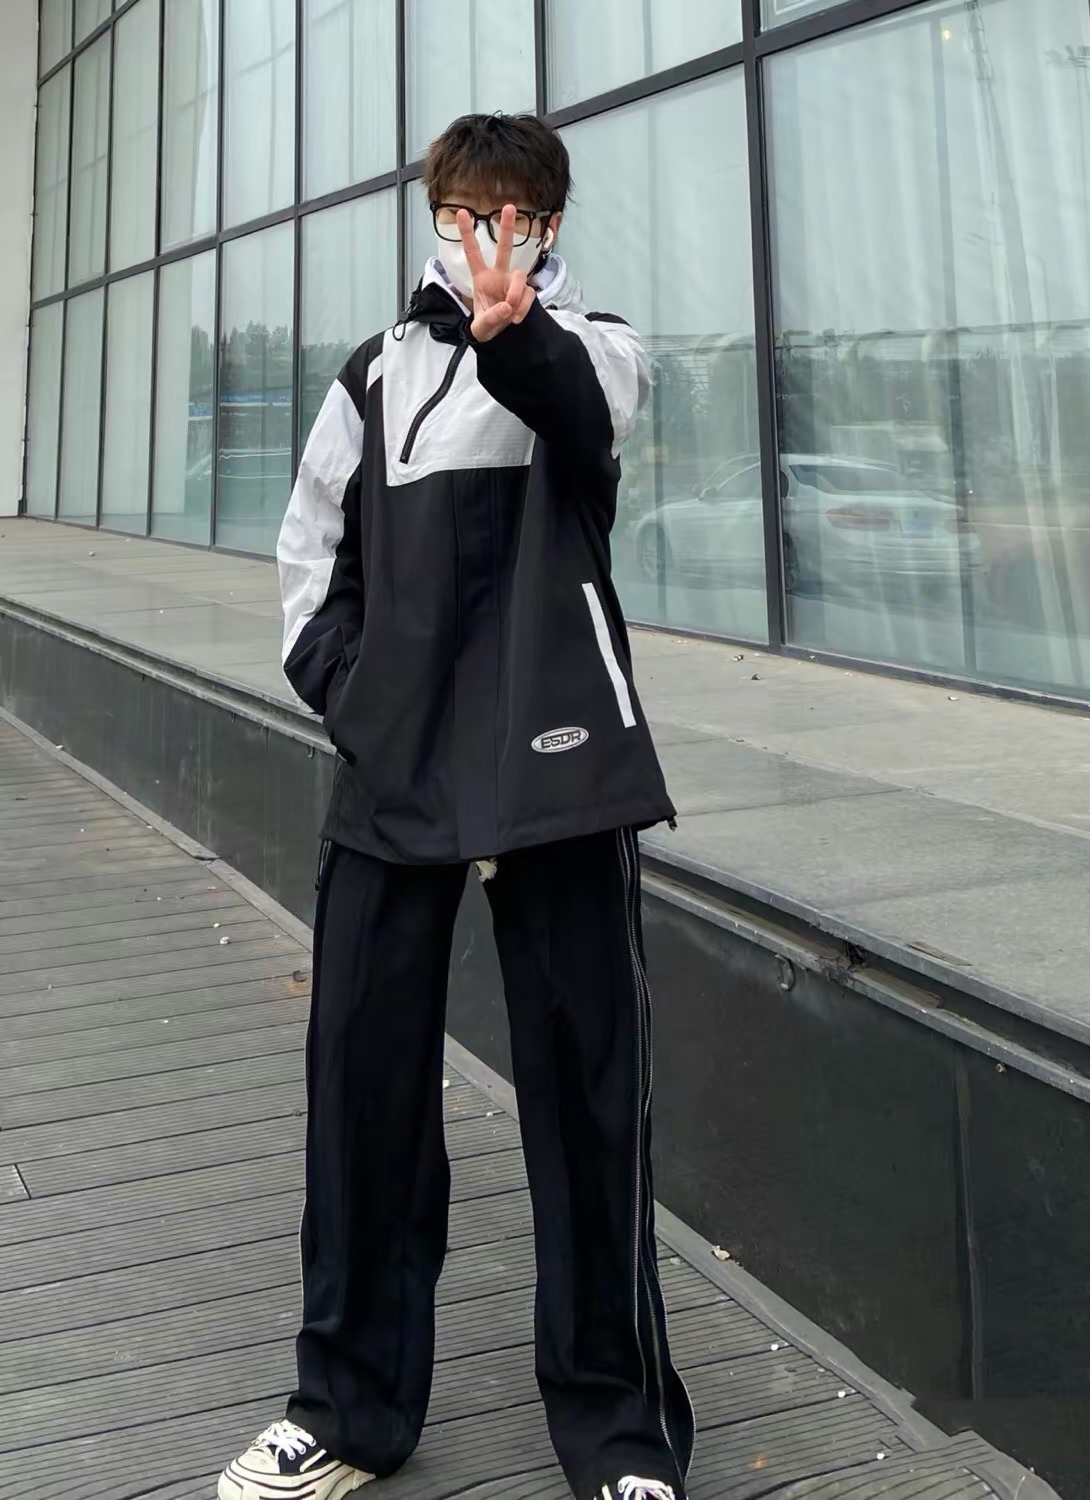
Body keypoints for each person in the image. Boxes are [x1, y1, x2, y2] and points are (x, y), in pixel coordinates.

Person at [218, 113, 694, 1500]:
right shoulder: (371, 374)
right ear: (434, 217)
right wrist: (362, 704)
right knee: (361, 1092)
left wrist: (514, 331)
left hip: (560, 775)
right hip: (397, 774)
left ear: (549, 226)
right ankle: (345, 1409)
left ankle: (620, 1432)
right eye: (462, 213)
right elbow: (310, 561)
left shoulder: (593, 347)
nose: (484, 238)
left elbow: (582, 412)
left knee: (591, 1103)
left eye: (511, 216)